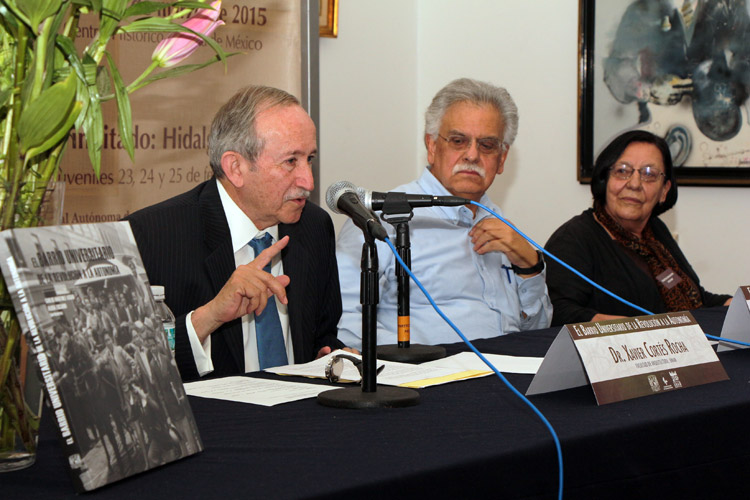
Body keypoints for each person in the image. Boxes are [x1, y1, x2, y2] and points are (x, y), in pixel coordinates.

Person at [125, 85, 345, 381]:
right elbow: (129, 367)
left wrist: (330, 357)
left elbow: (322, 335)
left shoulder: (313, 227)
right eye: (291, 161)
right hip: (213, 421)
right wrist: (210, 315)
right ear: (235, 168)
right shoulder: (150, 237)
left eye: (310, 160)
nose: (308, 181)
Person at [336, 78, 552, 350]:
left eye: (487, 145)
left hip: (508, 375)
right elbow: (346, 321)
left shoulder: (503, 227)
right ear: (432, 146)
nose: (472, 155)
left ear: (502, 157)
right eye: (459, 141)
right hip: (428, 380)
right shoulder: (381, 220)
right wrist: (420, 363)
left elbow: (538, 332)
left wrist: (529, 268)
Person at [544, 130, 731, 326]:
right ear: (605, 178)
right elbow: (556, 313)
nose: (634, 184)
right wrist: (628, 328)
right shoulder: (574, 239)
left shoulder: (655, 233)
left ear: (664, 191)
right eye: (622, 171)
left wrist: (736, 306)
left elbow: (695, 298)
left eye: (649, 174)